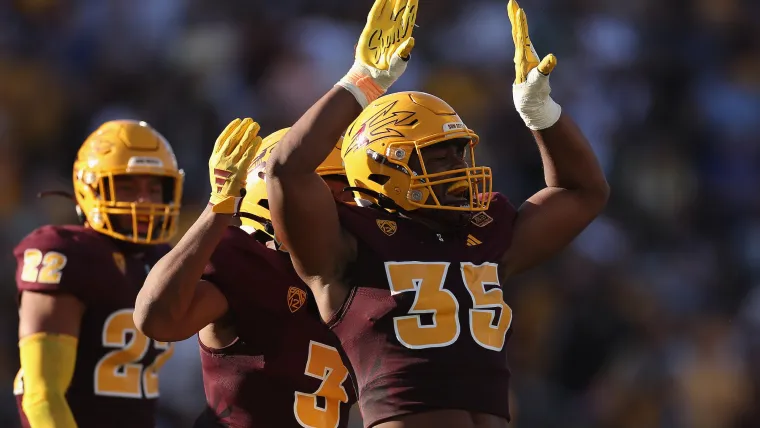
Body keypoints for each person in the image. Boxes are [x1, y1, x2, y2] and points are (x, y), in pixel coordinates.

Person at [265, 0, 610, 427]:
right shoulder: (348, 243)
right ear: (382, 165)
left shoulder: (484, 232)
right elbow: (286, 170)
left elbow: (584, 192)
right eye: (438, 157)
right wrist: (361, 83)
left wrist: (541, 113)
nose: (460, 169)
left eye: (459, 153)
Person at [133, 119, 356, 428]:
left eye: (351, 195)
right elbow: (155, 318)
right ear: (274, 195)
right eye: (336, 194)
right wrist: (218, 206)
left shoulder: (356, 277)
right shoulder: (246, 262)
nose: (352, 209)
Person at [13, 120, 184, 428]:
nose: (144, 201)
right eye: (127, 186)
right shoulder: (65, 253)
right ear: (89, 188)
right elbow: (42, 394)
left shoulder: (160, 258)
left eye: (154, 188)